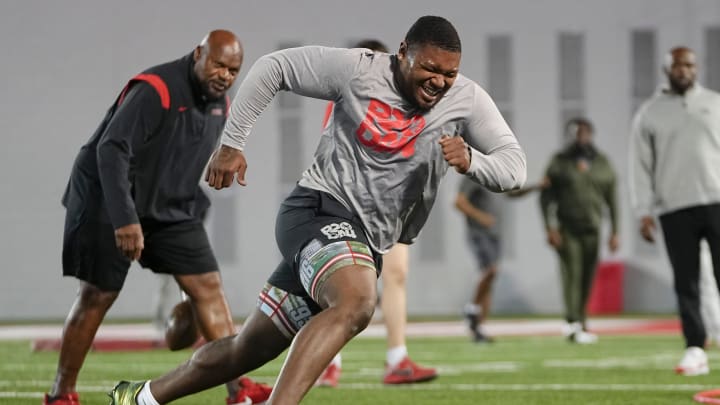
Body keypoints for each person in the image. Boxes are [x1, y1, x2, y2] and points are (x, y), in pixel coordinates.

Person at [109, 15, 526, 405]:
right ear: (403, 52)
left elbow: (515, 167)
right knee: (357, 302)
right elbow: (275, 68)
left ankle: (139, 397)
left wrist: (473, 160)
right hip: (318, 210)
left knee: (247, 349)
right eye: (429, 69)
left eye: (449, 74)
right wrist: (232, 144)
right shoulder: (359, 70)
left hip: (364, 240)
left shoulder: (467, 100)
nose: (439, 82)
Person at [46, 30, 271, 405]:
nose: (225, 76)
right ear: (198, 53)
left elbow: (182, 164)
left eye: (233, 70)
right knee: (98, 294)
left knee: (207, 287)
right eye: (218, 64)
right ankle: (60, 394)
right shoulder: (156, 89)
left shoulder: (220, 104)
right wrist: (124, 220)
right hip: (108, 199)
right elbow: (111, 149)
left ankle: (239, 389)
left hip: (168, 204)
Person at [314, 39, 436, 388]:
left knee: (396, 274)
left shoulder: (405, 97)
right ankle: (328, 360)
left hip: (392, 203)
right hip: (349, 201)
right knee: (339, 285)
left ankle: (397, 358)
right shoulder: (344, 94)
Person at [629, 46, 720, 376]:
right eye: (677, 65)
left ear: (696, 68)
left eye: (689, 64)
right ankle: (696, 348)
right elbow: (639, 166)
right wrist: (643, 210)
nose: (683, 69)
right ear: (666, 69)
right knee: (687, 282)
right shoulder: (649, 113)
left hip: (717, 202)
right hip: (674, 208)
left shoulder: (715, 103)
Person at [540, 117, 619, 344]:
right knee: (572, 274)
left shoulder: (601, 162)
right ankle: (572, 321)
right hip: (568, 228)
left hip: (593, 227)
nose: (581, 138)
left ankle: (582, 321)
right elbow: (545, 198)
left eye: (585, 133)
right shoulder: (559, 162)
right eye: (576, 133)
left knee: (587, 276)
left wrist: (615, 231)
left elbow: (612, 199)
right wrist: (549, 227)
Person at [455, 177, 545, 343]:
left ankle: (479, 328)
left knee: (490, 279)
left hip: (495, 234)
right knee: (490, 270)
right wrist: (480, 216)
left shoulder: (495, 176)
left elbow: (513, 193)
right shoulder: (473, 175)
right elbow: (459, 202)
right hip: (479, 233)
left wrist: (536, 186)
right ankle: (472, 309)